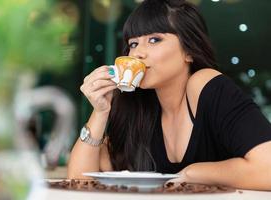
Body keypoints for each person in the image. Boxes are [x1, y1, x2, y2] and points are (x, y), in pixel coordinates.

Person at [68, 0, 271, 190]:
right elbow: (79, 182)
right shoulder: (138, 110)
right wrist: (100, 111)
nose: (137, 53)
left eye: (154, 39)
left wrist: (194, 173)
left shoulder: (203, 84)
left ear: (189, 51)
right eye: (133, 44)